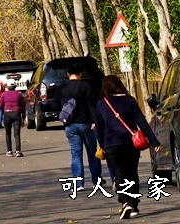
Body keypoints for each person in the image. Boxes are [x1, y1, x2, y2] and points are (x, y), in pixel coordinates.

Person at [95, 75, 160, 220]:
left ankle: (125, 202)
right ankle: (134, 205)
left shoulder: (101, 103)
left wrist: (102, 145)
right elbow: (142, 123)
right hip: (131, 144)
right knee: (132, 174)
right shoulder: (129, 100)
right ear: (119, 85)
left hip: (111, 144)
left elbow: (99, 128)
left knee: (119, 174)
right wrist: (154, 142)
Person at [56, 62, 102, 192]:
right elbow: (91, 105)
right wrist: (94, 120)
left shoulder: (62, 87)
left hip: (70, 125)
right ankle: (96, 181)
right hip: (86, 124)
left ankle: (79, 183)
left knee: (76, 154)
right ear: (81, 74)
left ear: (68, 74)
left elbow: (55, 105)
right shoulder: (85, 86)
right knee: (93, 154)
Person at [0, 82, 25, 156]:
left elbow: (0, 105)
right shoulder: (18, 94)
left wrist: (4, 109)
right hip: (17, 113)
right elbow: (22, 107)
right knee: (17, 133)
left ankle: (9, 151)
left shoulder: (3, 94)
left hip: (7, 113)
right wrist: (24, 117)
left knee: (8, 133)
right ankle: (18, 151)